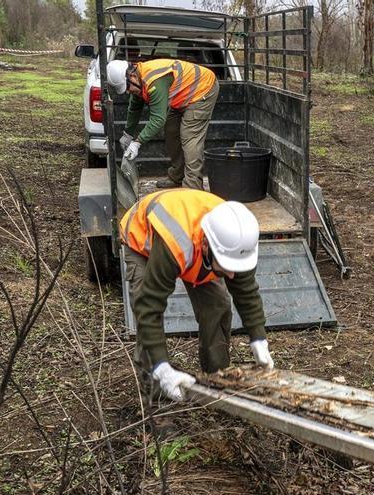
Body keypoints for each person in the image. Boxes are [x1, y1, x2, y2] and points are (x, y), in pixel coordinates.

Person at [120, 188, 274, 402]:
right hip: (143, 243)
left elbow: (246, 291)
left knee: (218, 304)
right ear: (205, 245)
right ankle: (155, 401)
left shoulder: (236, 240)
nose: (231, 274)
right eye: (226, 266)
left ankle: (218, 380)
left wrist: (258, 338)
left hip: (193, 245)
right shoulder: (174, 244)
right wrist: (163, 368)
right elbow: (149, 307)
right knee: (148, 323)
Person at [106, 57, 219, 190]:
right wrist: (128, 134)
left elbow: (158, 119)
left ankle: (192, 187)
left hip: (202, 89)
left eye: (127, 87)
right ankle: (177, 177)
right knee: (171, 130)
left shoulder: (155, 81)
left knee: (190, 137)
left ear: (131, 75)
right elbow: (134, 108)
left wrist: (137, 143)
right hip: (182, 96)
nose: (128, 91)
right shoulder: (138, 79)